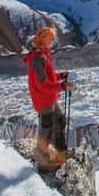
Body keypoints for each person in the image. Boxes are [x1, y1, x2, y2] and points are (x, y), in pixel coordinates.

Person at [23, 26, 74, 170]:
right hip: (44, 100)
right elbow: (43, 84)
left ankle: (60, 154)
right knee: (46, 129)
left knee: (60, 121)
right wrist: (63, 87)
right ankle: (43, 161)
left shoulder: (42, 54)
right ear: (44, 39)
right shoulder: (38, 59)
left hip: (49, 97)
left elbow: (47, 78)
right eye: (51, 38)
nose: (53, 40)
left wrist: (59, 77)